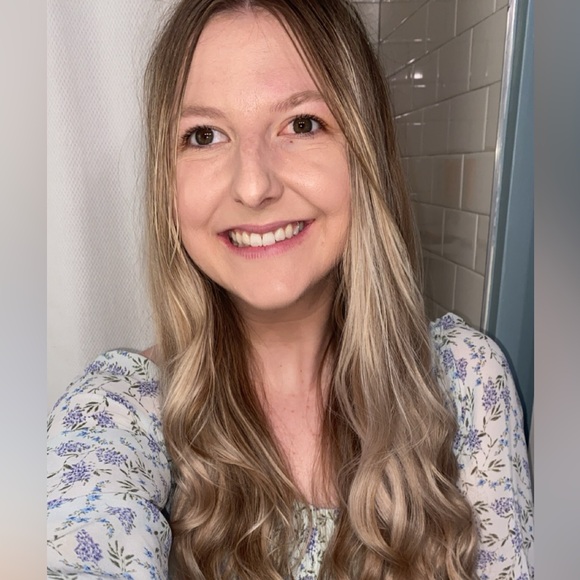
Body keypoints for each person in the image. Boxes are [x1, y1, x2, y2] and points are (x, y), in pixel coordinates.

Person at [47, 0, 534, 578]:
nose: (253, 185)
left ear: (365, 153)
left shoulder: (469, 383)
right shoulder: (116, 412)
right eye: (204, 135)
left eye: (302, 124)